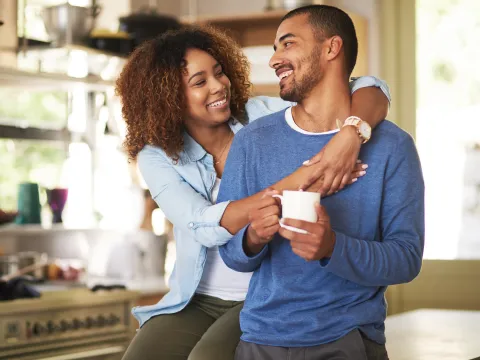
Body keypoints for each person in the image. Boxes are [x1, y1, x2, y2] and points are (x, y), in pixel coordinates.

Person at [116, 24, 391, 360]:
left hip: (262, 295)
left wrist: (350, 134)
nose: (219, 86)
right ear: (168, 98)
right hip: (195, 297)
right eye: (200, 82)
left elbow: (370, 88)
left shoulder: (264, 115)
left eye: (219, 73)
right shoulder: (156, 155)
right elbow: (203, 225)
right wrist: (306, 175)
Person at [218, 5, 424, 360]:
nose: (274, 60)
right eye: (274, 49)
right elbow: (232, 255)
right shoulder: (252, 141)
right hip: (260, 342)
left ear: (331, 48)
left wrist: (331, 246)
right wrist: (253, 237)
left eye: (288, 44)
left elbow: (406, 259)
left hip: (349, 340)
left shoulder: (393, 146)